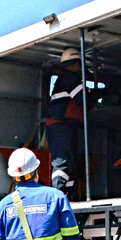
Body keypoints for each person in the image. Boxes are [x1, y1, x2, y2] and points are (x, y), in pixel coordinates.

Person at [0, 148, 80, 240]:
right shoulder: (56, 196)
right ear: (36, 171)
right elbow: (71, 235)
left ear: (13, 176)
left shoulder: (4, 205)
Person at [45, 47, 86, 195]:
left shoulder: (64, 80)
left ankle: (66, 195)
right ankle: (58, 196)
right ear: (76, 64)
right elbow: (84, 99)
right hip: (60, 128)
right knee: (62, 163)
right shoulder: (71, 78)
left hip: (65, 127)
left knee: (70, 164)